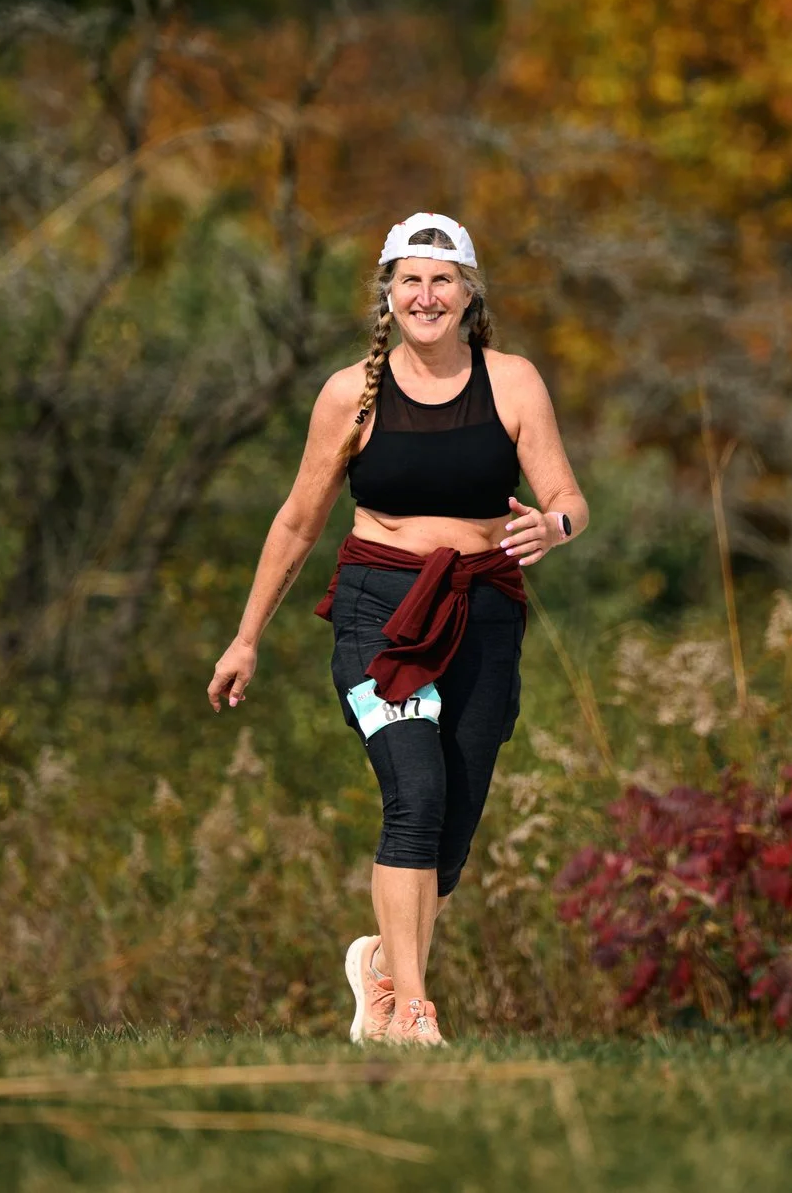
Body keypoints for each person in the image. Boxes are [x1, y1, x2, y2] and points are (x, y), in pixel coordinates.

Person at [207, 213, 588, 1047]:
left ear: (468, 293)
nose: (426, 295)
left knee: (453, 826)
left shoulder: (514, 382)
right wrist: (247, 637)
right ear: (388, 294)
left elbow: (567, 496)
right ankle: (413, 1011)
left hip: (484, 608)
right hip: (377, 611)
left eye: (442, 279)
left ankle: (382, 963)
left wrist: (553, 528)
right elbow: (297, 523)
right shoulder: (352, 394)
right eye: (409, 280)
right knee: (413, 795)